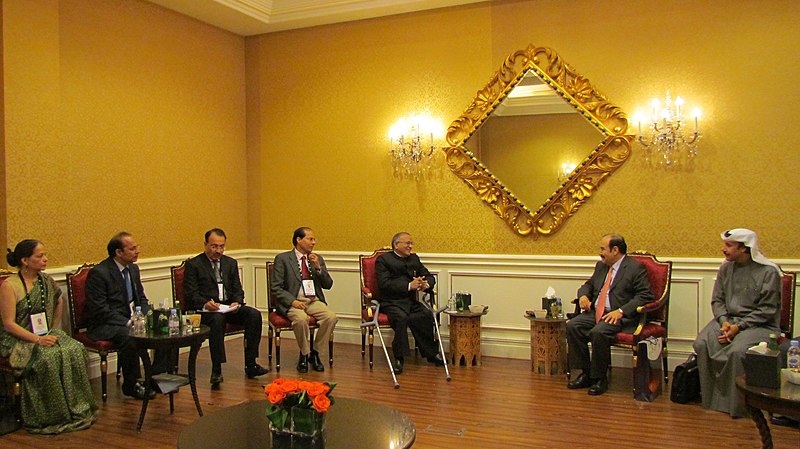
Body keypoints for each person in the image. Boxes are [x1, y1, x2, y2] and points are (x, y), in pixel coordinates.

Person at [0, 240, 97, 434]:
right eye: (39, 256)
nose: (45, 259)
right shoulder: (9, 286)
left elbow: (58, 300)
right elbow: (9, 324)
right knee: (48, 358)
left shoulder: (46, 280)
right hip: (17, 339)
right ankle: (50, 414)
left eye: (45, 255)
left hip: (45, 333)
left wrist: (54, 329)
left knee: (75, 349)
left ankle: (75, 407)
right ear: (25, 260)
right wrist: (37, 340)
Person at [692, 228, 781, 418]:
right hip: (727, 320)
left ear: (745, 249)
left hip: (759, 325)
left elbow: (767, 310)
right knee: (701, 343)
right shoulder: (726, 267)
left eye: (729, 245)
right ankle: (710, 401)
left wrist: (738, 327)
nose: (724, 249)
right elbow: (717, 300)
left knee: (737, 351)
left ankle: (738, 406)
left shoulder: (769, 272)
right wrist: (725, 322)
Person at [566, 234, 653, 395]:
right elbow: (588, 285)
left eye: (602, 249)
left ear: (615, 250)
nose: (600, 253)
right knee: (572, 326)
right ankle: (586, 373)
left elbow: (644, 295)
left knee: (599, 332)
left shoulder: (635, 267)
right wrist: (583, 296)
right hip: (596, 312)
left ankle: (600, 379)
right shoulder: (601, 266)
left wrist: (621, 311)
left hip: (618, 315)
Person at [86, 232, 166, 400]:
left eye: (137, 247)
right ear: (119, 252)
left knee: (163, 324)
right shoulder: (100, 273)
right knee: (130, 336)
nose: (137, 251)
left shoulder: (133, 269)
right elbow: (100, 310)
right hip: (106, 324)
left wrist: (148, 316)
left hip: (131, 319)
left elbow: (141, 299)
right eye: (132, 248)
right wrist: (130, 322)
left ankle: (156, 377)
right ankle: (132, 384)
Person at [184, 228, 269, 386]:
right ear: (205, 245)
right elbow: (191, 294)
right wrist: (205, 303)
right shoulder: (194, 265)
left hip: (227, 307)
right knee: (217, 320)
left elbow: (237, 289)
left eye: (222, 246)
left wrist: (237, 301)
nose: (218, 250)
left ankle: (251, 364)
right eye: (214, 246)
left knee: (254, 315)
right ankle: (217, 369)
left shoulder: (230, 263)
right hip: (207, 311)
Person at [270, 227, 337, 373]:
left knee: (331, 317)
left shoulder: (317, 259)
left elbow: (328, 285)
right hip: (293, 301)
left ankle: (315, 353)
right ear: (298, 240)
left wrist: (318, 268)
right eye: (310, 239)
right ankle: (304, 354)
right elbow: (276, 287)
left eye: (314, 239)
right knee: (300, 319)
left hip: (313, 300)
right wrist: (292, 301)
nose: (313, 242)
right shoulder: (283, 259)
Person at [375, 232, 443, 374]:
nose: (410, 246)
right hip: (391, 302)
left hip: (410, 301)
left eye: (411, 243)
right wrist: (408, 286)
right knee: (401, 318)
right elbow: (384, 284)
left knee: (425, 314)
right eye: (407, 243)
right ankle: (399, 358)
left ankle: (432, 354)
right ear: (396, 244)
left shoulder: (414, 259)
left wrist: (426, 285)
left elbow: (429, 276)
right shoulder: (384, 260)